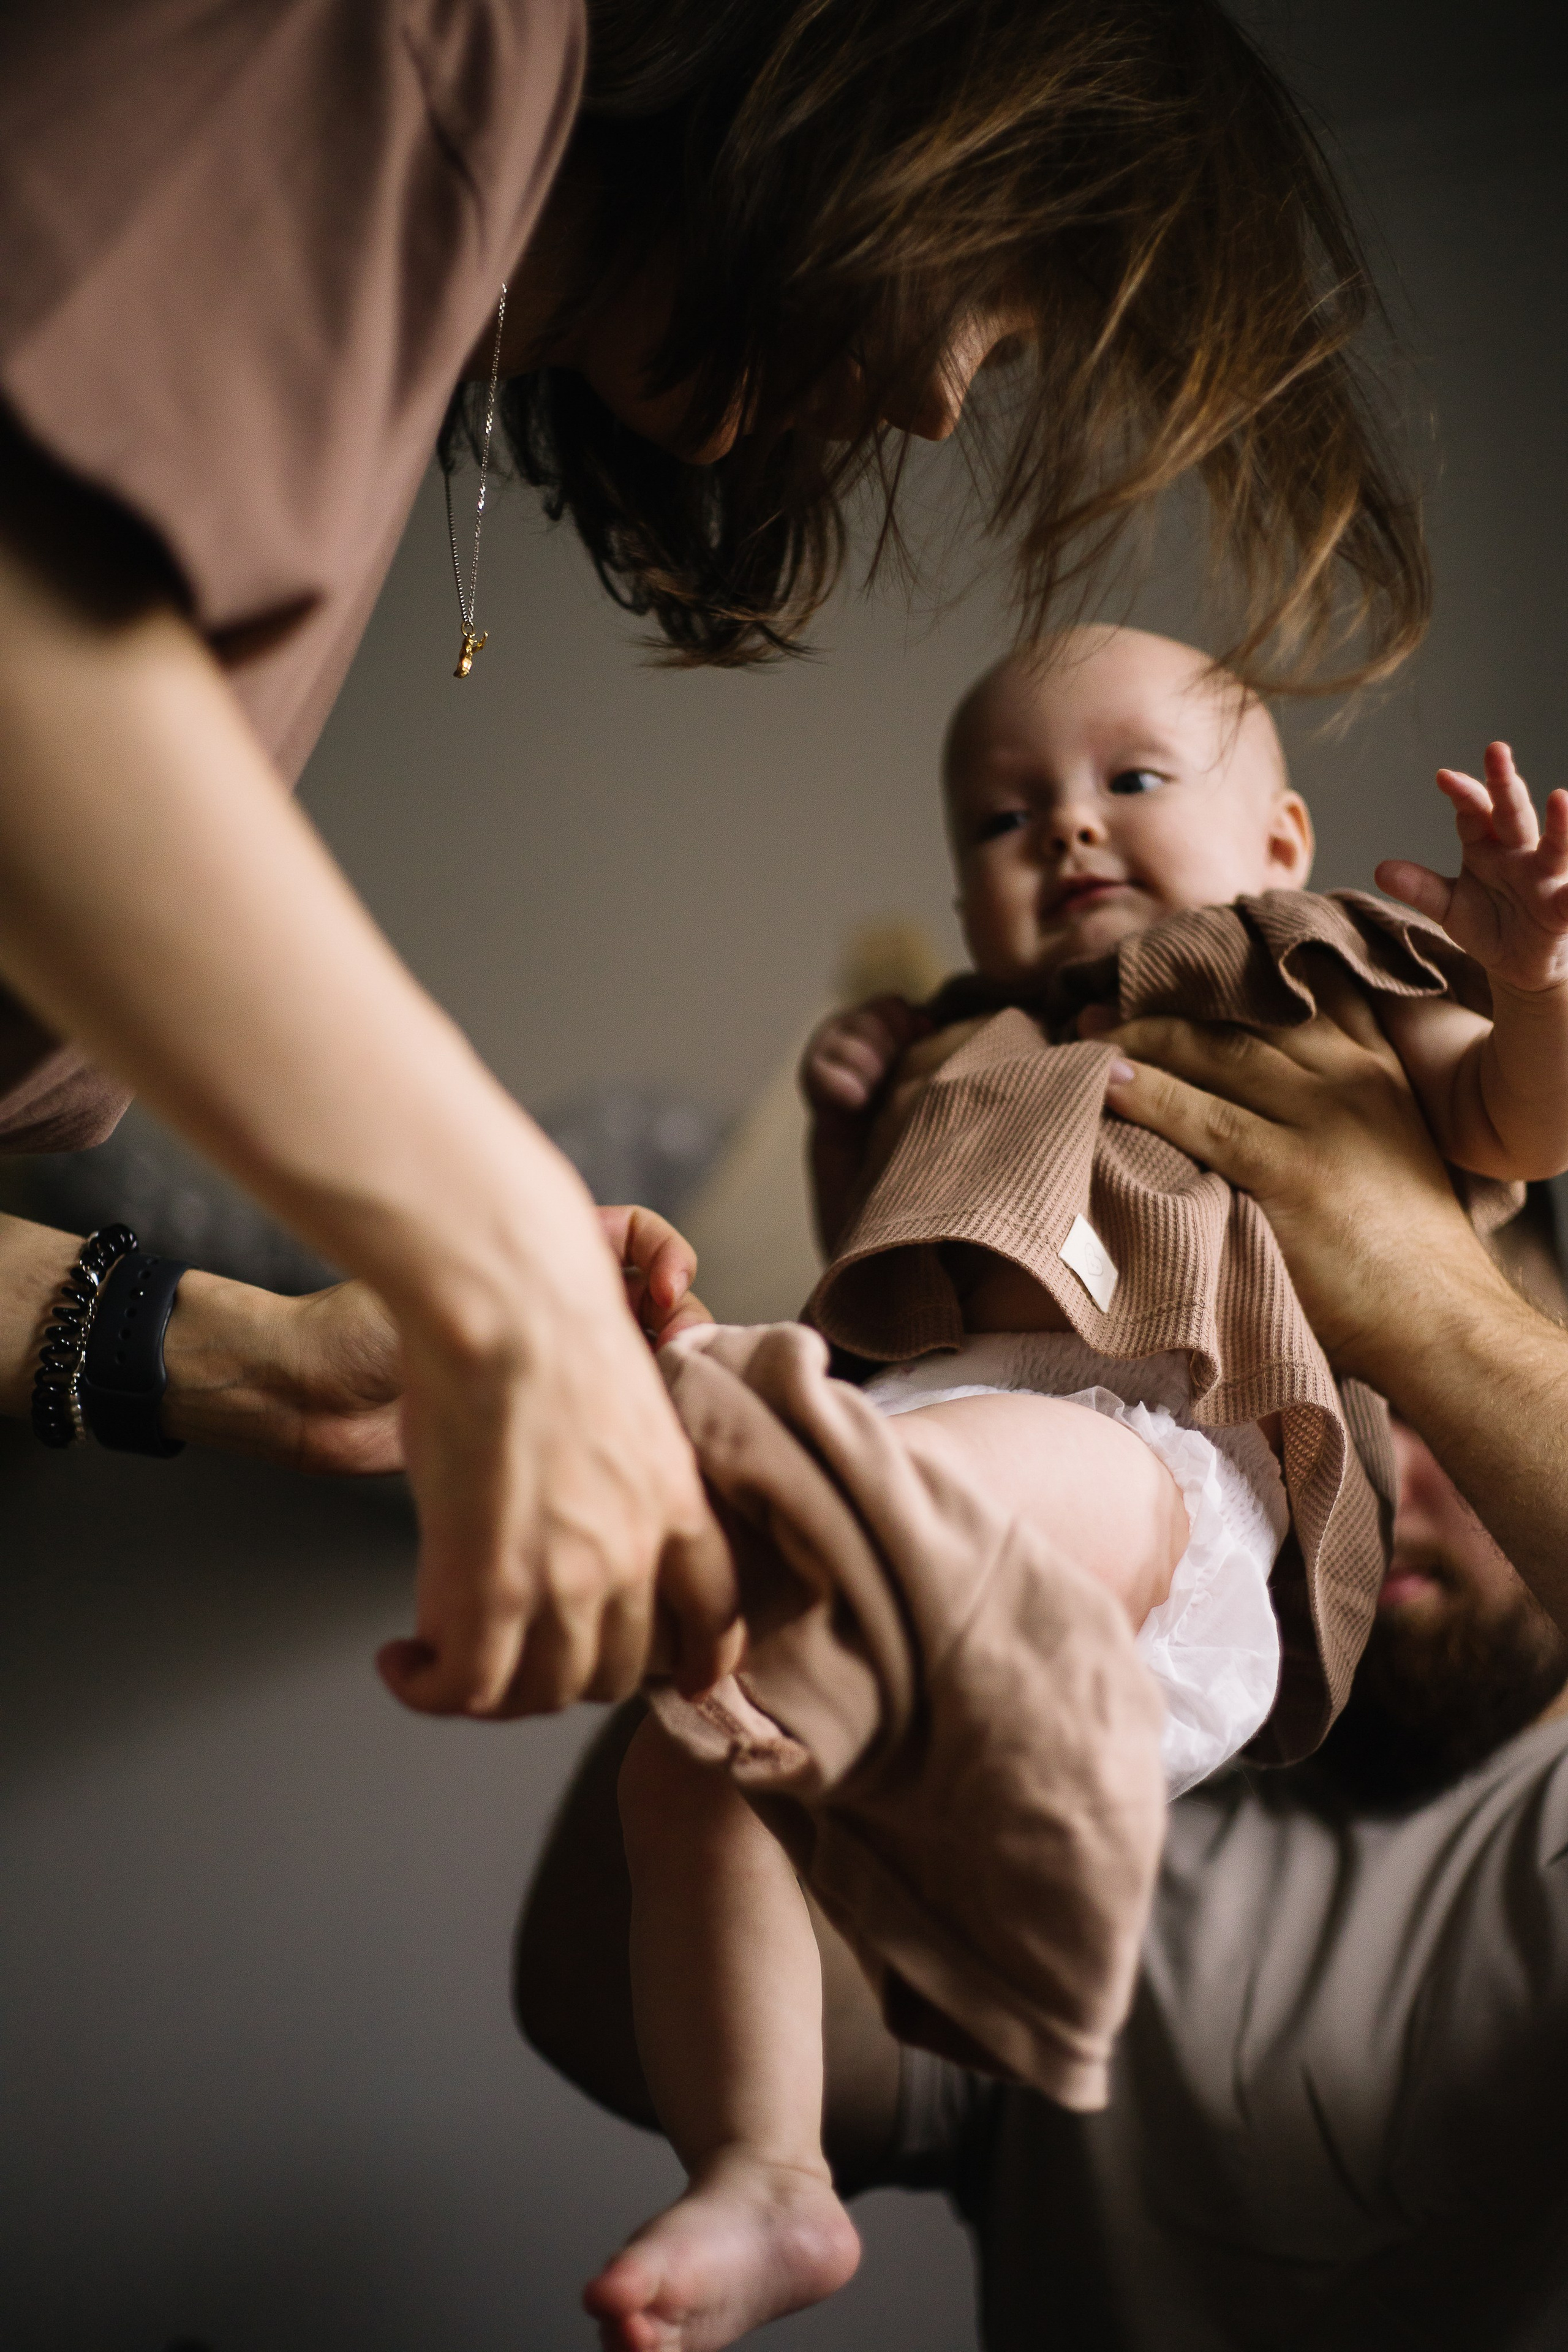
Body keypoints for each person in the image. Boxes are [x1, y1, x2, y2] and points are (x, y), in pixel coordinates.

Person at [0, 0, 1429, 1723]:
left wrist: (248, 1362)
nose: (935, 404)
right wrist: (492, 1250)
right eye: (986, 298)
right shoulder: (431, 30)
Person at [571, 625, 1568, 2352]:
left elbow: (1513, 1120)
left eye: (1133, 779)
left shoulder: (1316, 971)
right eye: (1002, 816)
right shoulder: (969, 1039)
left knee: (827, 1508)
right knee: (705, 1750)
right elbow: (912, 1283)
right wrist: (854, 1145)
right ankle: (762, 2169)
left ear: (1279, 838)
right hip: (977, 1458)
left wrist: (1539, 978)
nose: (1069, 830)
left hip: (1159, 1465)